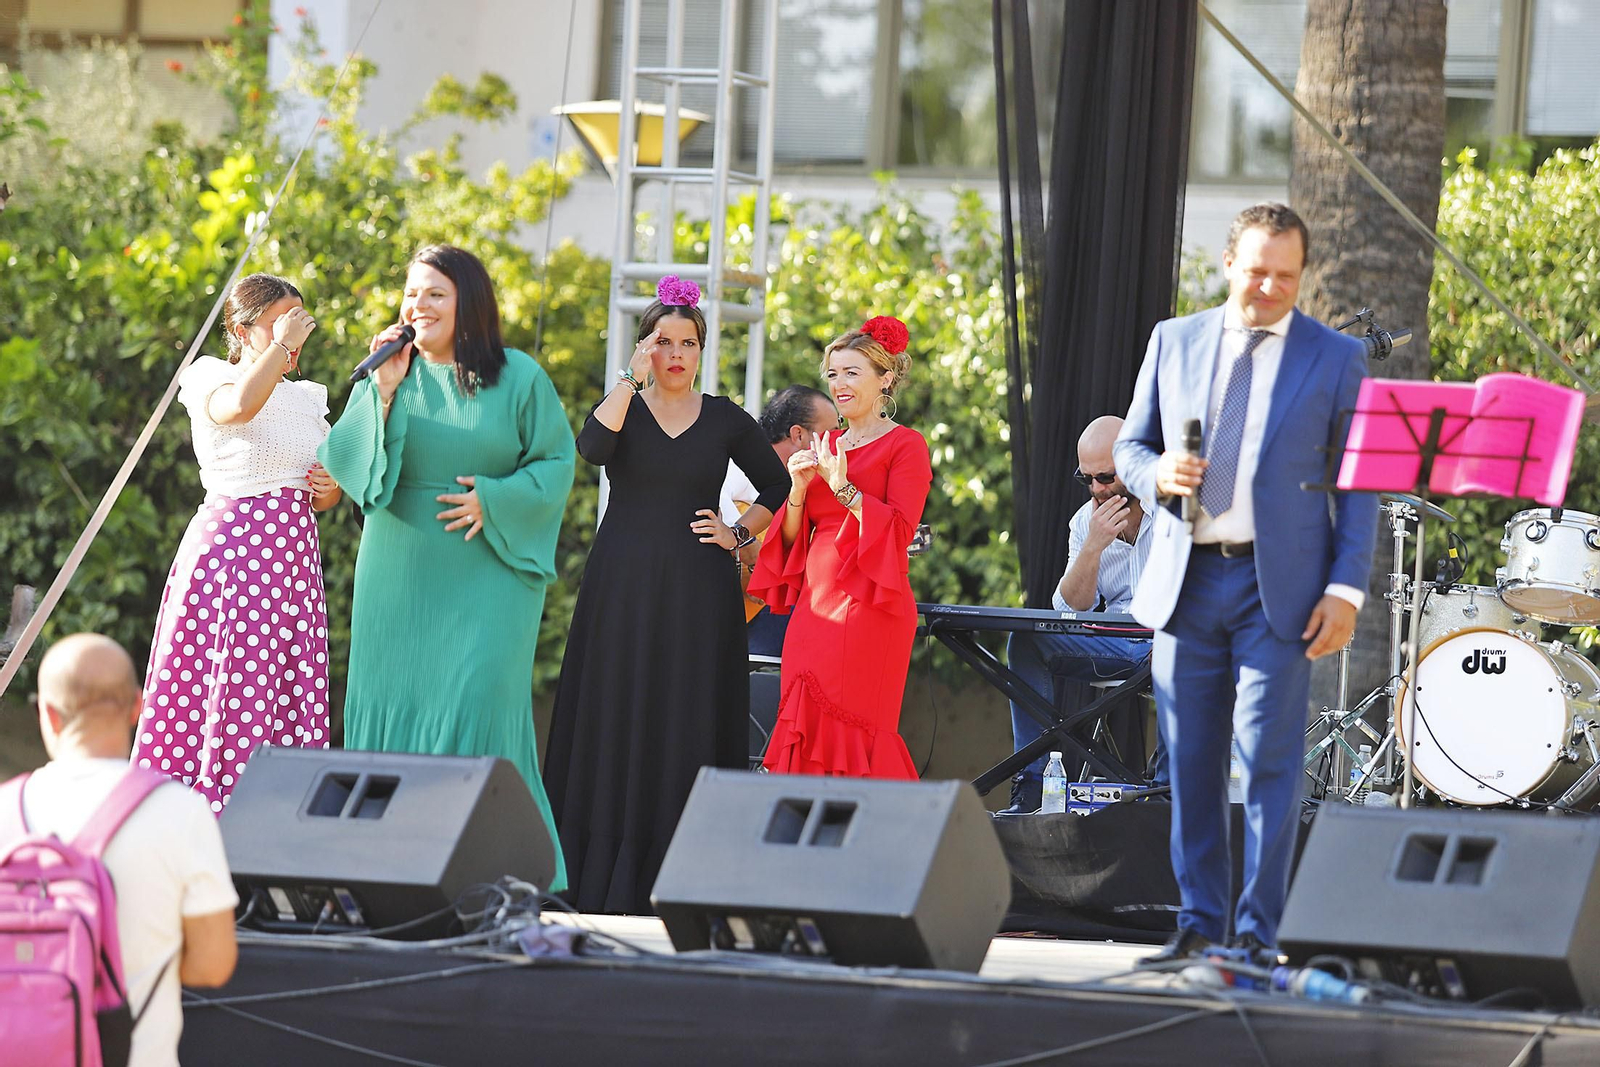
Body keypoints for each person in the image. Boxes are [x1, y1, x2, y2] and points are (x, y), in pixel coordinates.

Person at [1114, 203, 1377, 962]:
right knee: (1190, 758)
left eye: (1286, 277)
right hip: (1186, 580)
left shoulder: (1334, 358)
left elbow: (1356, 487)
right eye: (1258, 270)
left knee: (1268, 760)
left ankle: (1259, 937)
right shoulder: (1174, 340)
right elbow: (1132, 442)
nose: (1269, 287)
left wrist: (1346, 591)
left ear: (1303, 277)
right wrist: (1154, 472)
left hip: (1281, 592)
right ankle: (1200, 925)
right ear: (1230, 262)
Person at [318, 245, 576, 891]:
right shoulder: (391, 372)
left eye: (434, 293)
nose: (418, 305)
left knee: (479, 704)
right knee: (392, 705)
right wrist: (380, 390)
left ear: (468, 301)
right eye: (411, 293)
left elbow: (555, 464)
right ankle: (381, 867)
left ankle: (501, 871)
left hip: (489, 569)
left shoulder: (519, 376)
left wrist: (495, 498)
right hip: (399, 566)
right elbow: (348, 466)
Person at [544, 275, 788, 914]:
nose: (675, 353)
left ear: (702, 350)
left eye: (687, 342)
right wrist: (628, 379)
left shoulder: (727, 419)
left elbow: (776, 484)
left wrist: (736, 533)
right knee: (617, 707)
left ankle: (688, 870)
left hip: (697, 589)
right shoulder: (623, 404)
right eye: (662, 341)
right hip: (620, 584)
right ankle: (599, 870)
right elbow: (592, 449)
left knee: (687, 711)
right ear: (644, 347)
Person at [133, 273, 336, 813]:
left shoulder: (307, 398)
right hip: (237, 555)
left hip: (293, 563)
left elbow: (318, 490)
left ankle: (274, 827)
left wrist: (328, 490)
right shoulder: (210, 377)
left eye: (300, 325)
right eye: (278, 325)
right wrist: (282, 347)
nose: (294, 338)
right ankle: (206, 823)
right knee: (230, 686)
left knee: (283, 693)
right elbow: (239, 408)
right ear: (243, 331)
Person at [15, 634, 237, 1067]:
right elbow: (213, 965)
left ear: (48, 714)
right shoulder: (180, 810)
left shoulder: (6, 812)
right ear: (138, 707)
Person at [749, 315, 933, 778]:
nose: (839, 384)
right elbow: (790, 541)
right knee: (803, 727)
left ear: (885, 378)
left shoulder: (906, 445)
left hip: (872, 603)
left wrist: (843, 487)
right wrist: (795, 489)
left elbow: (899, 531)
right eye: (833, 374)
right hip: (814, 607)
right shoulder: (824, 442)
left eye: (852, 372)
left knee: (858, 731)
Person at [1000, 415, 1163, 815]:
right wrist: (1092, 546)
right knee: (1026, 641)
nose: (1096, 489)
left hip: (1177, 642)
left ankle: (1168, 794)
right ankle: (1034, 784)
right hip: (1118, 641)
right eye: (1085, 479)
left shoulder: (1177, 508)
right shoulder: (1083, 520)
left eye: (1105, 477)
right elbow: (1071, 609)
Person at [718, 384, 838, 657]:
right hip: (738, 612)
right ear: (797, 434)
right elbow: (709, 493)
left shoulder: (809, 486)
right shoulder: (741, 462)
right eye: (829, 434)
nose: (837, 443)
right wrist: (750, 551)